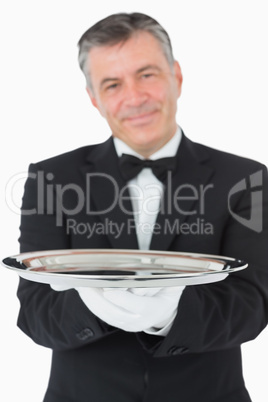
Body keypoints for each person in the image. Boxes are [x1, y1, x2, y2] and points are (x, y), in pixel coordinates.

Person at [17, 12, 268, 402]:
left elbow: (253, 304)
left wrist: (170, 316)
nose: (134, 98)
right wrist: (90, 306)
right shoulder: (52, 178)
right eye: (113, 84)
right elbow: (34, 311)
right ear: (93, 99)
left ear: (177, 76)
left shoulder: (245, 177)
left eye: (147, 74)